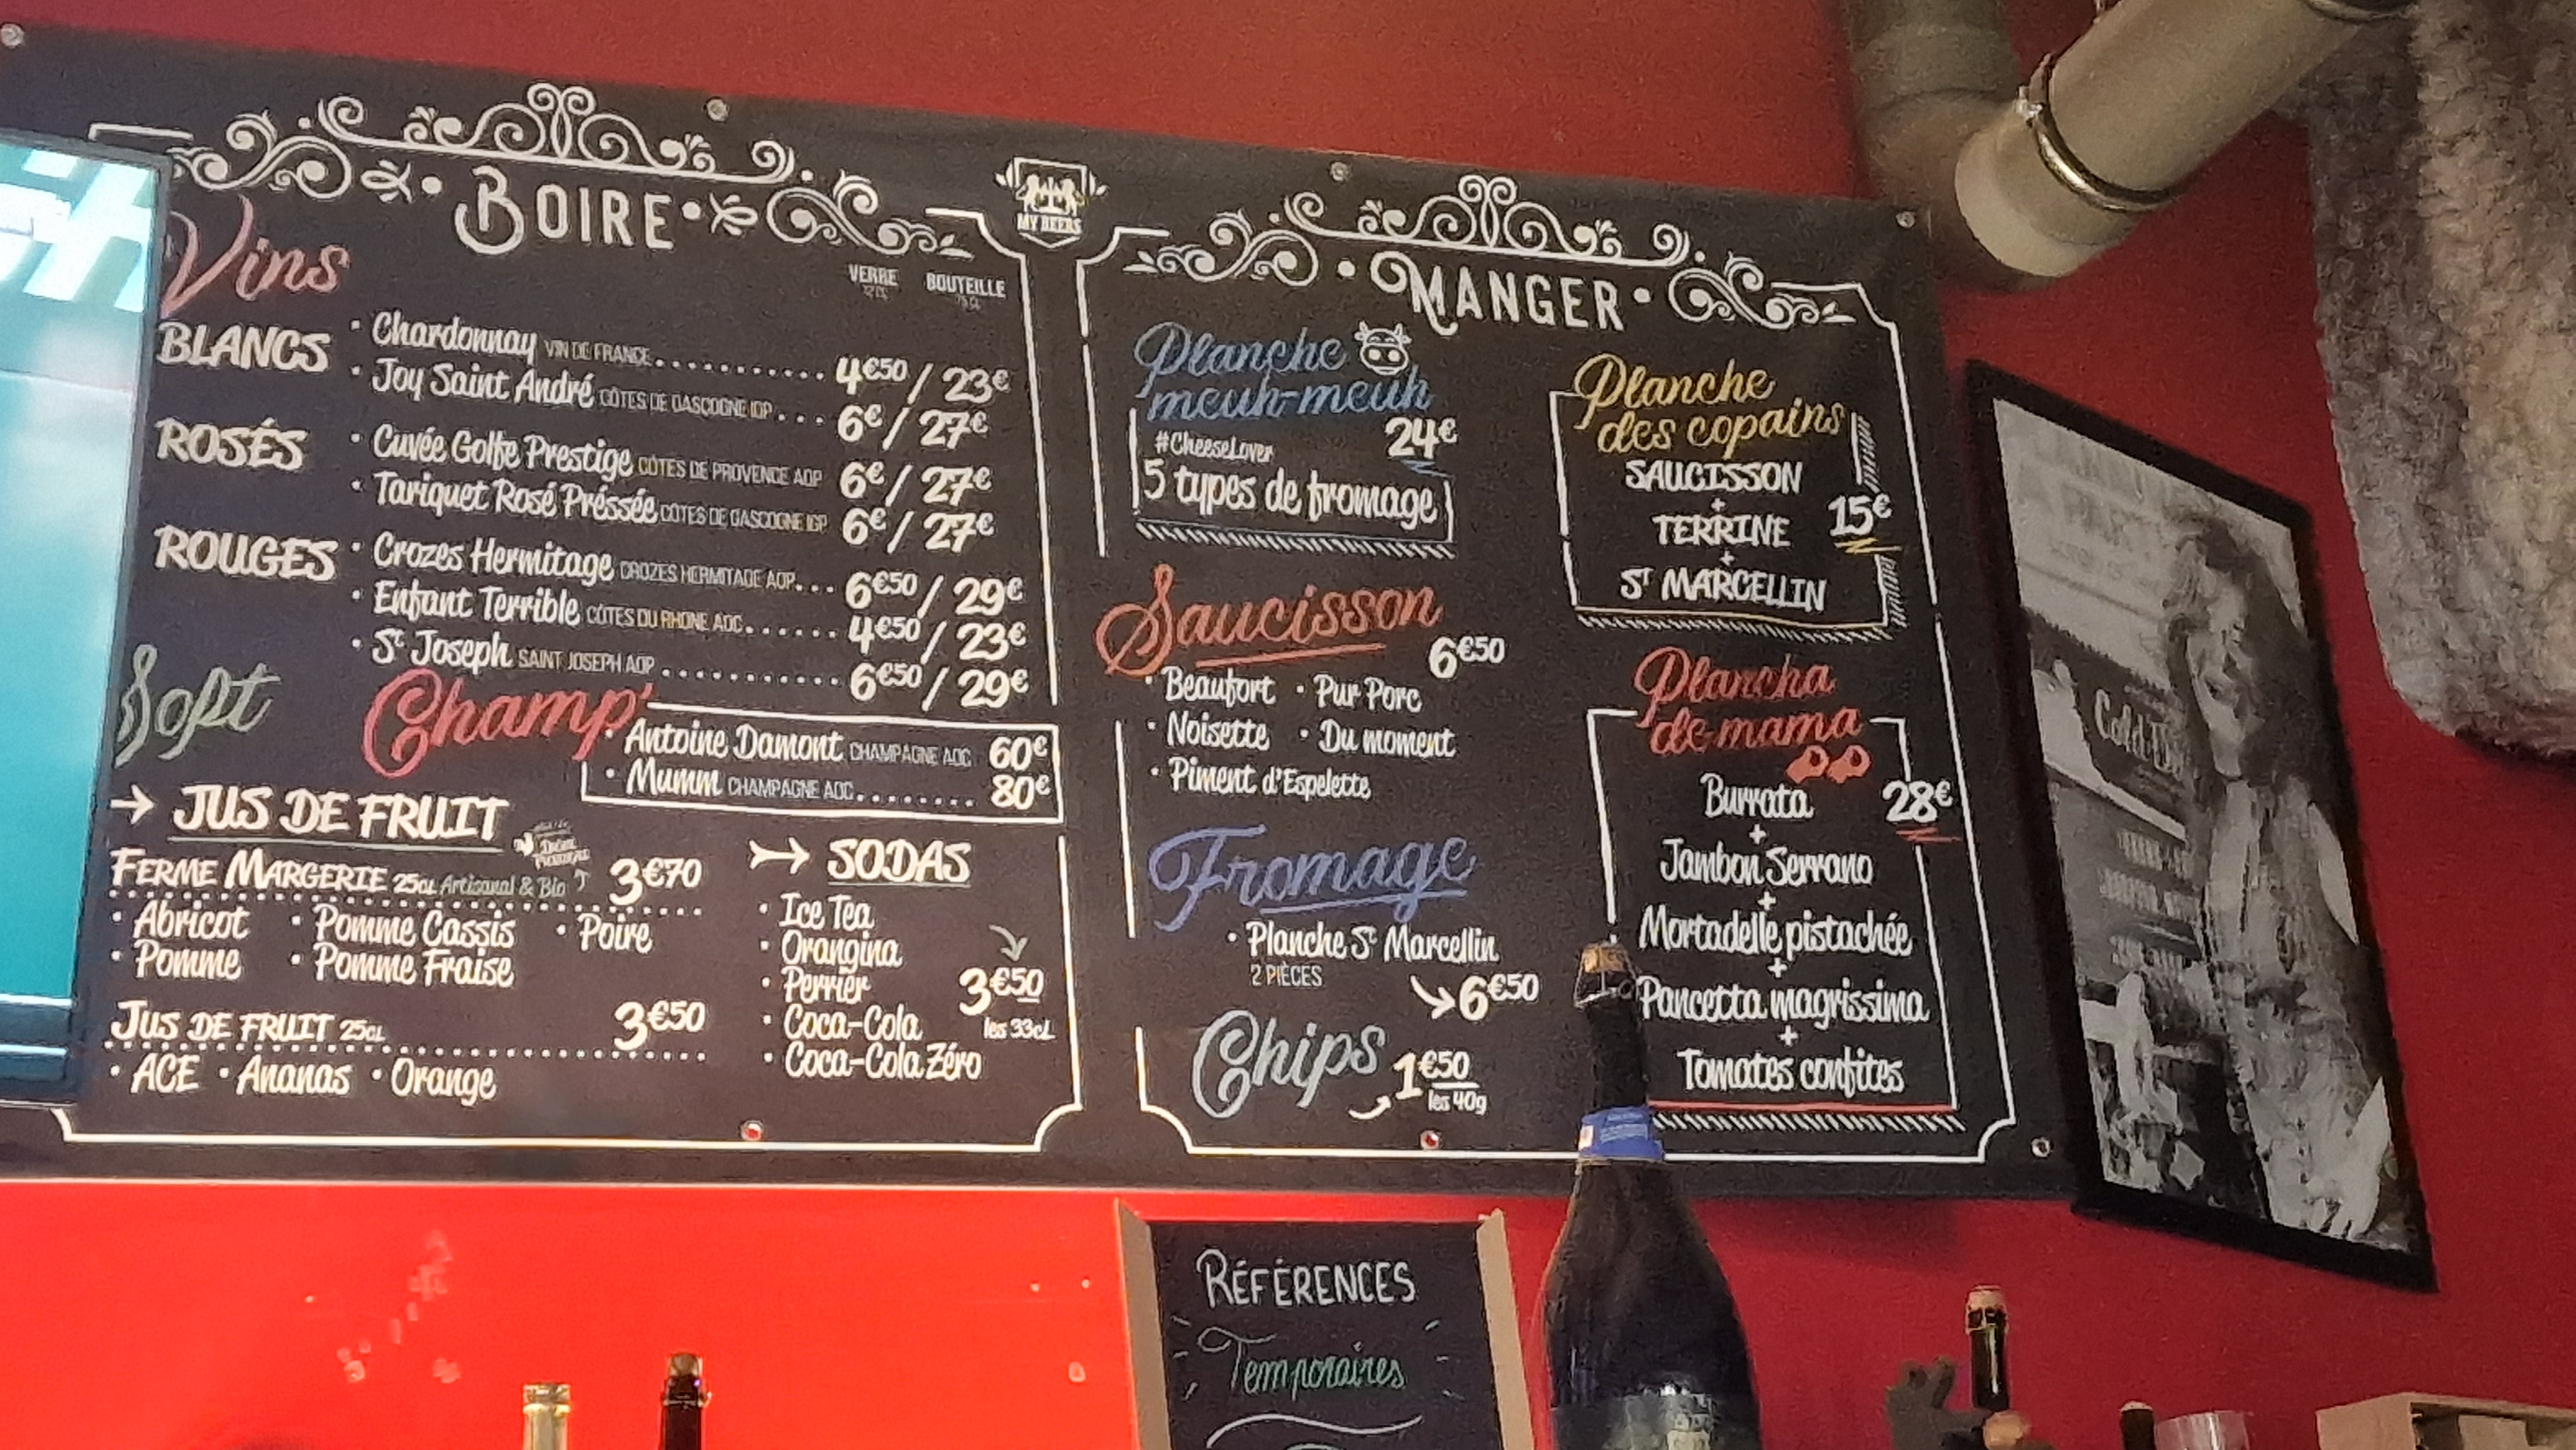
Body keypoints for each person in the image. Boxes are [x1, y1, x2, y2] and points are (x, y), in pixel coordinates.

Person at [2159, 515, 2410, 1246]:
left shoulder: (2303, 810)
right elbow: (2248, 997)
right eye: (2208, 631)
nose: (2226, 662)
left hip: (2372, 1218)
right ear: (2181, 648)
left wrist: (2368, 1158)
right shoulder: (2214, 821)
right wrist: (2148, 1001)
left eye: (2244, 638)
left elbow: (2430, 994)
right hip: (2296, 1220)